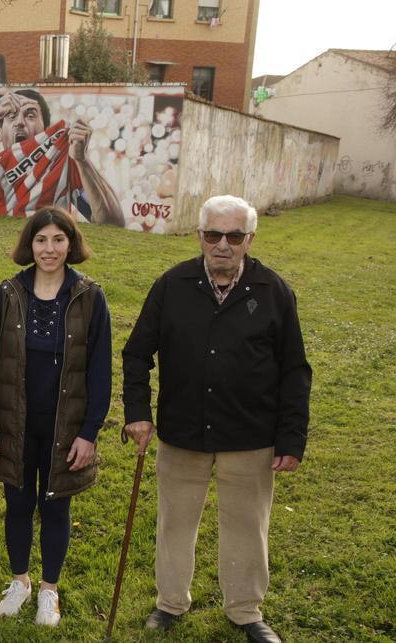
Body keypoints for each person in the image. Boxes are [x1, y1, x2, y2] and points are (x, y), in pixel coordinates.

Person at [122, 195, 310, 643]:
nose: (222, 245)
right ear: (199, 236)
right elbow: (136, 353)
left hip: (250, 435)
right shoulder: (171, 285)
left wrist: (291, 438)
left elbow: (294, 369)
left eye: (234, 236)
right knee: (175, 523)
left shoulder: (273, 291)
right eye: (213, 234)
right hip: (182, 431)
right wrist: (137, 414)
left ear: (250, 239)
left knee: (247, 526)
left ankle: (246, 611)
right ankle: (170, 603)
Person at [0, 208, 112, 627]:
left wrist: (89, 433)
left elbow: (100, 370)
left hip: (65, 427)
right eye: (41, 240)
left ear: (71, 244)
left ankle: (49, 591)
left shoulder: (89, 296)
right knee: (17, 503)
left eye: (58, 239)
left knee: (55, 507)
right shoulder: (8, 294)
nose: (49, 249)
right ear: (29, 245)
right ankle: (20, 581)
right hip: (16, 423)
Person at [0, 89, 125, 226]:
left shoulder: (67, 164)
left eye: (30, 116)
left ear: (45, 130)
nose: (19, 122)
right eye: (10, 117)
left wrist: (83, 161)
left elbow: (112, 224)